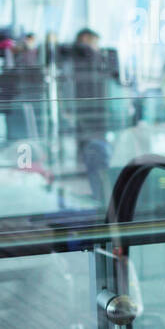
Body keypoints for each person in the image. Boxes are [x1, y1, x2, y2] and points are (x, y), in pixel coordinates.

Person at [61, 28, 116, 201]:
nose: (97, 47)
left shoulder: (72, 57)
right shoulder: (87, 56)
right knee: (96, 152)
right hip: (93, 110)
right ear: (85, 39)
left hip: (84, 110)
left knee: (87, 149)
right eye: (95, 43)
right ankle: (98, 194)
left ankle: (92, 190)